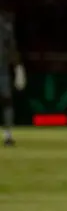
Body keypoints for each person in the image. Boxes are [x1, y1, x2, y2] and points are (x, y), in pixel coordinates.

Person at [1, 10, 25, 146]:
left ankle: (8, 135)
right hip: (3, 71)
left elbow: (12, 48)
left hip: (2, 71)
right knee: (7, 102)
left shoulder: (5, 27)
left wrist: (18, 67)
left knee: (7, 101)